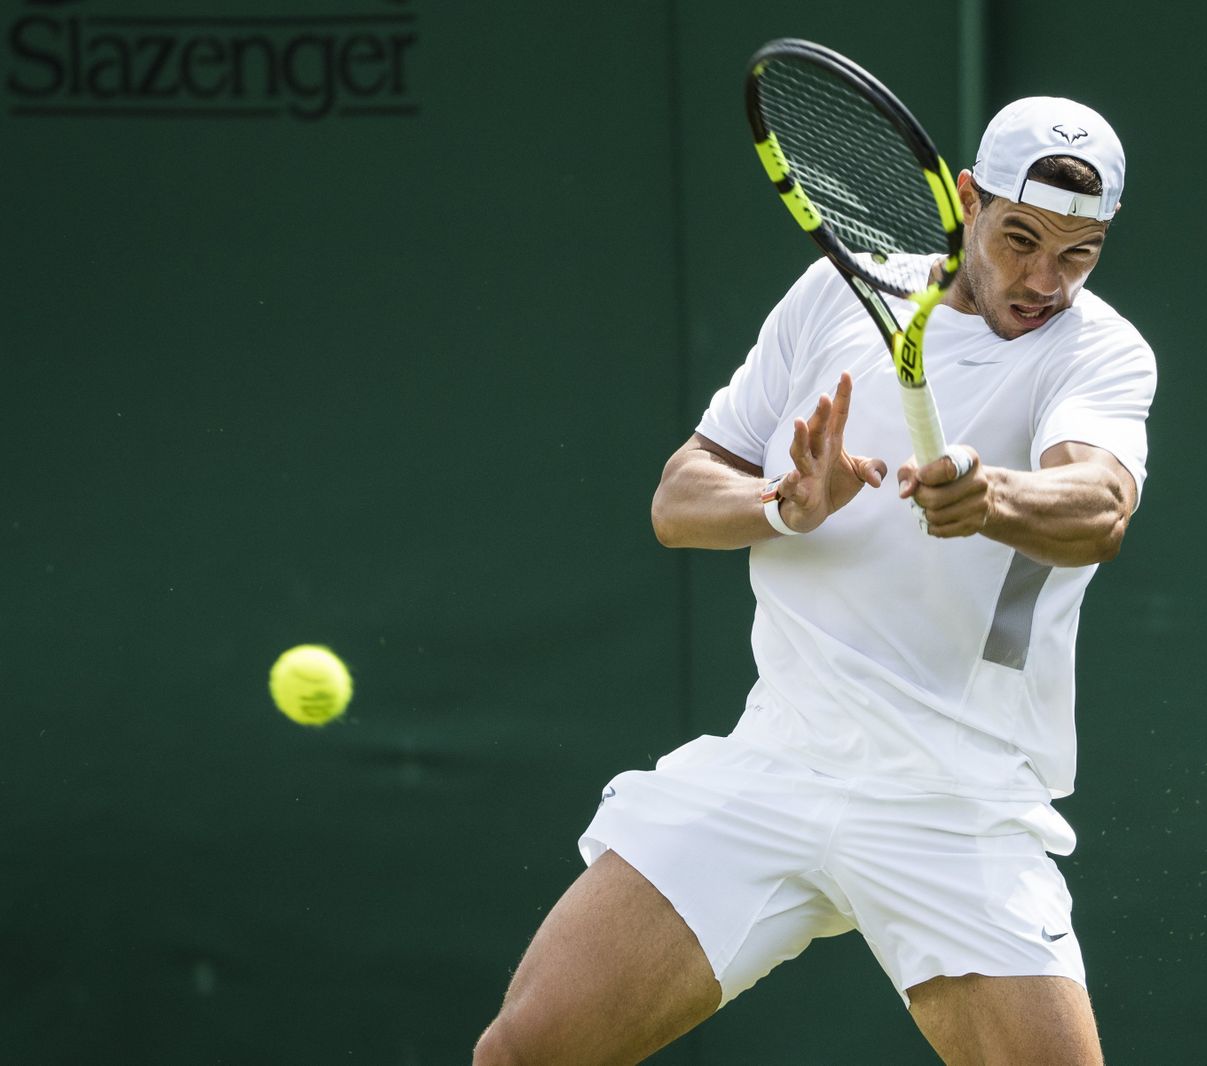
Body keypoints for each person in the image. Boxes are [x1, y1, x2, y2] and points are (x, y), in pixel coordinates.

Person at [475, 95, 1157, 1066]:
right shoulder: (837, 293)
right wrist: (782, 505)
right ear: (966, 200)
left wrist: (991, 498)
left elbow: (1098, 505)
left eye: (1078, 254)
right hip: (778, 761)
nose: (1045, 279)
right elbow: (679, 497)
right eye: (1020, 239)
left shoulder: (1099, 353)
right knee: (525, 1053)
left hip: (950, 798)